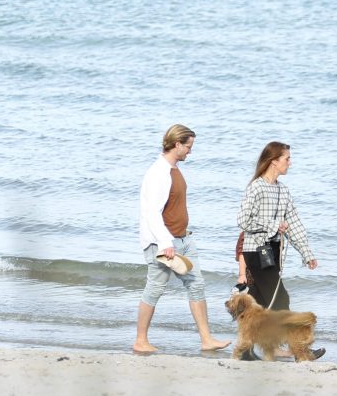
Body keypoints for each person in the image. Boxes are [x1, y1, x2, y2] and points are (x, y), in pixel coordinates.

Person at [133, 124, 231, 354]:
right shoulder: (158, 173)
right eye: (188, 146)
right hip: (163, 243)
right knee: (154, 289)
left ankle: (207, 339)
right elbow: (151, 213)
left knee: (196, 285)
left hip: (183, 239)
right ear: (176, 144)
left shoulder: (174, 168)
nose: (190, 151)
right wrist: (165, 243)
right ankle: (140, 340)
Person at [237, 141, 324, 358]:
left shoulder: (283, 191)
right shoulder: (256, 187)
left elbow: (294, 223)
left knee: (258, 303)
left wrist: (307, 253)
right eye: (287, 159)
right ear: (274, 161)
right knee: (281, 300)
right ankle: (300, 350)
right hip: (256, 251)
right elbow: (242, 220)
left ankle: (246, 352)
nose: (290, 163)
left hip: (273, 252)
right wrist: (274, 225)